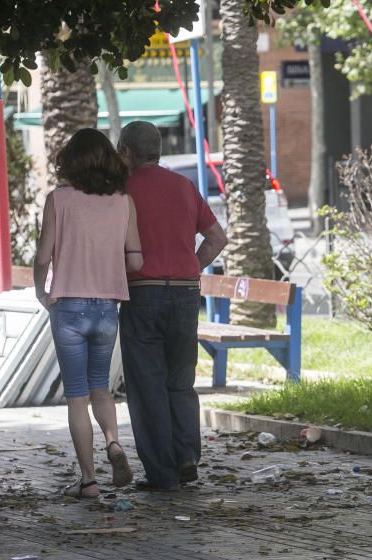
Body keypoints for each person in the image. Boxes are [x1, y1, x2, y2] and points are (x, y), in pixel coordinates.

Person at [116, 121, 228, 490]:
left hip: (142, 292)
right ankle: (185, 457)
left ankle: (161, 473)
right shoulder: (183, 185)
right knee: (180, 381)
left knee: (147, 384)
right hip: (184, 293)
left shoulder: (121, 191)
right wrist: (191, 265)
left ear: (127, 152)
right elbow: (216, 237)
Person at [33, 128, 144, 498]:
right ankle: (113, 443)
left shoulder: (59, 200)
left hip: (68, 307)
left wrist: (41, 290)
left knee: (76, 396)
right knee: (101, 388)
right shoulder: (122, 201)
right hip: (107, 308)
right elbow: (136, 257)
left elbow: (42, 256)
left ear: (71, 161)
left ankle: (89, 481)